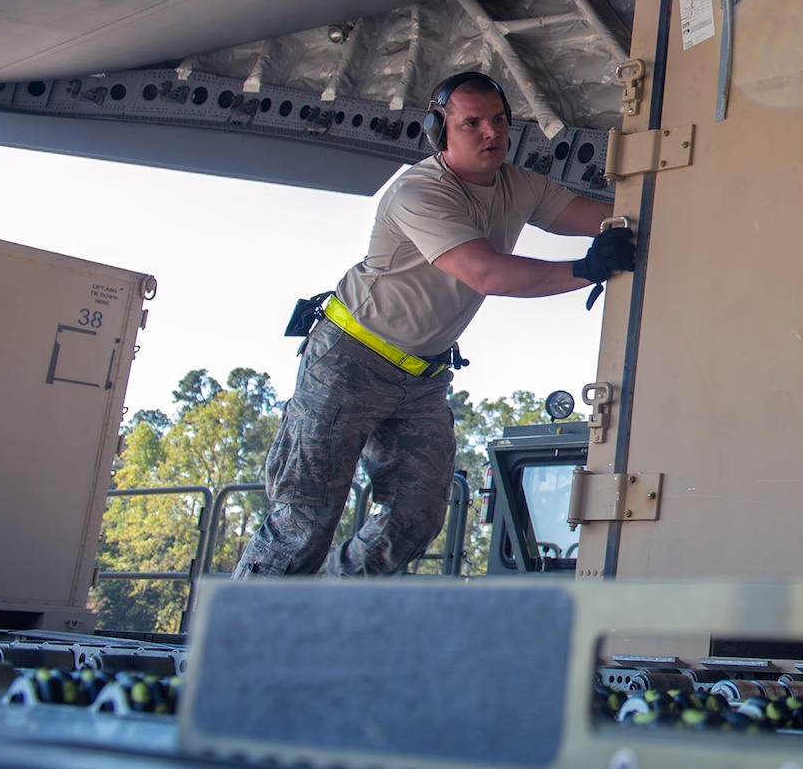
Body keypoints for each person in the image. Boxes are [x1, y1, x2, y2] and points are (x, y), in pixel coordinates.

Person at [234, 71, 635, 577]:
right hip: (348, 363)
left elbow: (604, 213)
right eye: (472, 124)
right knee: (304, 520)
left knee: (415, 519)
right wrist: (586, 268)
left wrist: (656, 212)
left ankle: (325, 609)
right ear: (440, 132)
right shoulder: (420, 192)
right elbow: (484, 272)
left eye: (498, 121)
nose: (491, 133)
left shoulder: (518, 186)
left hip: (421, 380)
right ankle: (236, 638)